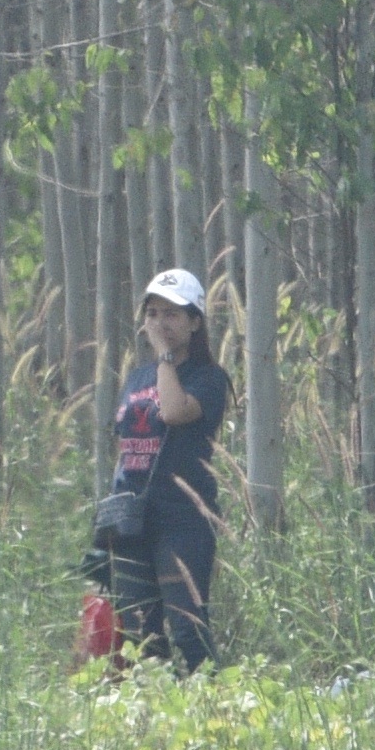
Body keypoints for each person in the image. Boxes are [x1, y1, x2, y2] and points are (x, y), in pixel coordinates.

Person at [103, 269, 233, 673]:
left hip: (183, 518)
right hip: (133, 520)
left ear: (195, 323)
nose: (160, 323)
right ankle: (156, 719)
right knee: (140, 633)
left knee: (186, 626)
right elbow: (124, 441)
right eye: (153, 313)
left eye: (172, 315)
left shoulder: (209, 378)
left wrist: (164, 358)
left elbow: (174, 412)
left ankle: (211, 705)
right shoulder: (136, 377)